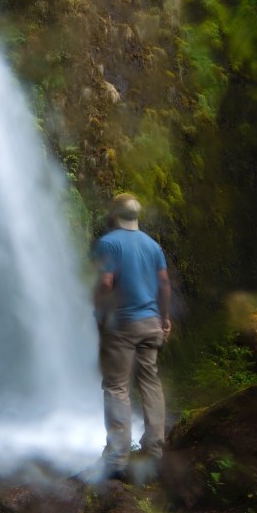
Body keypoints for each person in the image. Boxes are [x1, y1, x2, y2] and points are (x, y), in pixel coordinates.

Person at [93, 193, 171, 481]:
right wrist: (163, 318)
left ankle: (116, 457)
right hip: (151, 323)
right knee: (150, 381)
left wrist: (99, 310)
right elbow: (164, 284)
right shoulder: (152, 245)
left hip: (122, 324)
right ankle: (154, 450)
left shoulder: (109, 243)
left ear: (115, 214)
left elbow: (105, 281)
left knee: (117, 387)